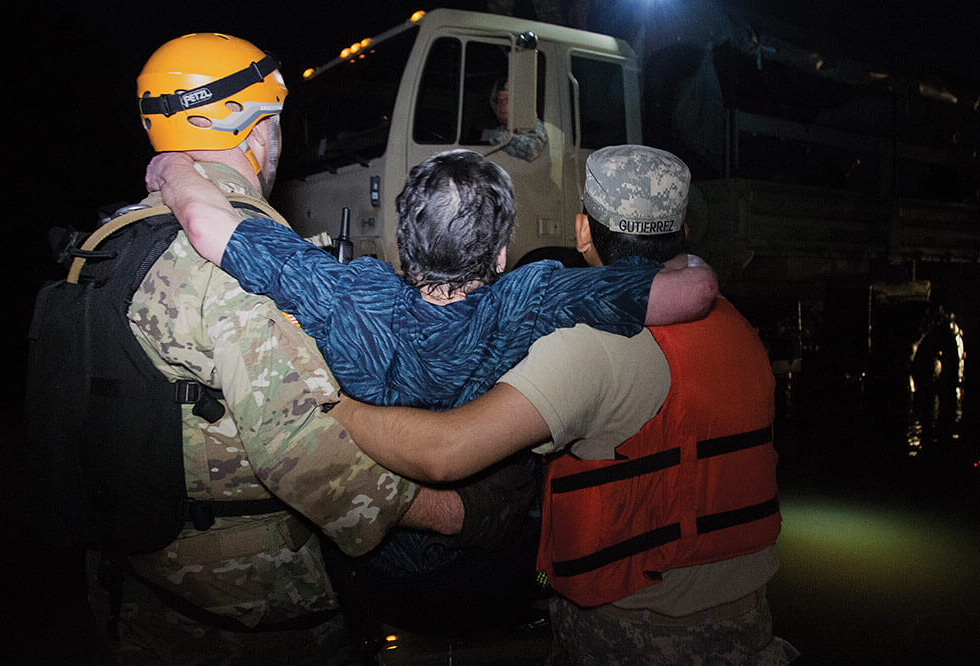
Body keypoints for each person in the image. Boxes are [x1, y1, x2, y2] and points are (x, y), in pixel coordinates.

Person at [64, 33, 471, 664]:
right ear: (257, 132)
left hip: (142, 587)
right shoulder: (240, 262)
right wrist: (452, 513)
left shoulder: (113, 234)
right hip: (245, 609)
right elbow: (303, 453)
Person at [331, 145, 800, 663]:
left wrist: (332, 408)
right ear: (684, 226)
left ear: (582, 230)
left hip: (638, 626)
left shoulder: (591, 346)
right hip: (746, 615)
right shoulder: (734, 322)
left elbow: (446, 450)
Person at [147, 148, 717, 410]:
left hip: (380, 566)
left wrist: (170, 163)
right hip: (481, 567)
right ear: (499, 255)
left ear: (404, 242)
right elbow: (692, 292)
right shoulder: (529, 297)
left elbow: (205, 221)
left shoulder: (349, 294)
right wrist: (697, 261)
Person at [480, 78, 548, 161]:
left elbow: (532, 150)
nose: (502, 105)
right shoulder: (501, 128)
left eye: (507, 100)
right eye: (499, 101)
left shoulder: (531, 124)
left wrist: (495, 136)